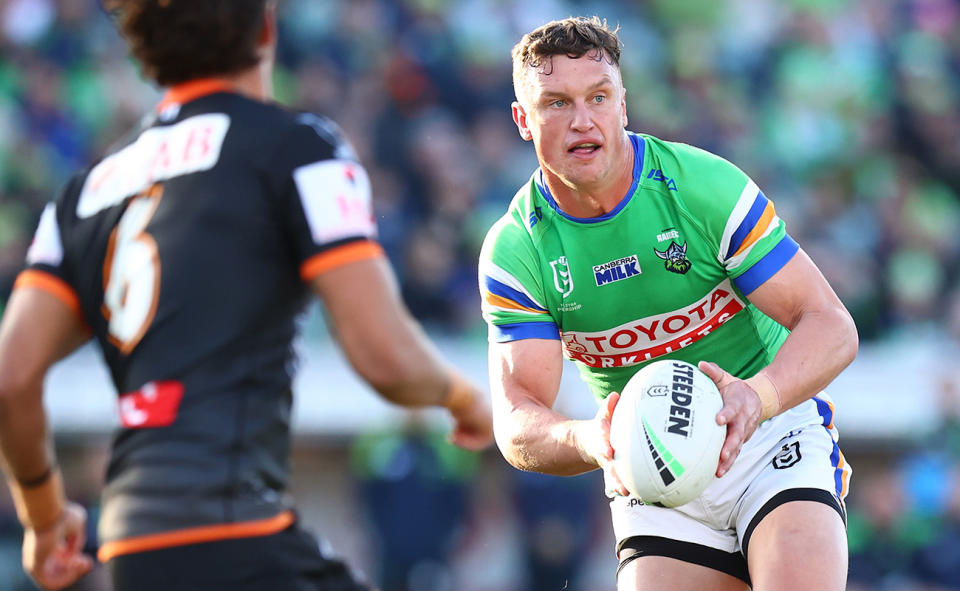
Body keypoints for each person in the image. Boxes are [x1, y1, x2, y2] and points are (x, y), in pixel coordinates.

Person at [0, 1, 493, 590]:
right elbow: (381, 353)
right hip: (235, 527)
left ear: (145, 48)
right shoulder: (295, 148)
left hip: (131, 539)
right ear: (265, 27)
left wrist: (45, 519)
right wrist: (462, 396)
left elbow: (10, 378)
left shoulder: (83, 194)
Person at [479, 16, 858, 591]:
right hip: (647, 472)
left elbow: (832, 326)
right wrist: (591, 439)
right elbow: (515, 419)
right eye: (556, 103)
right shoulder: (517, 250)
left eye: (598, 97)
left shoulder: (703, 188)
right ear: (522, 120)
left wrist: (754, 399)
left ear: (623, 106)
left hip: (769, 436)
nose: (583, 120)